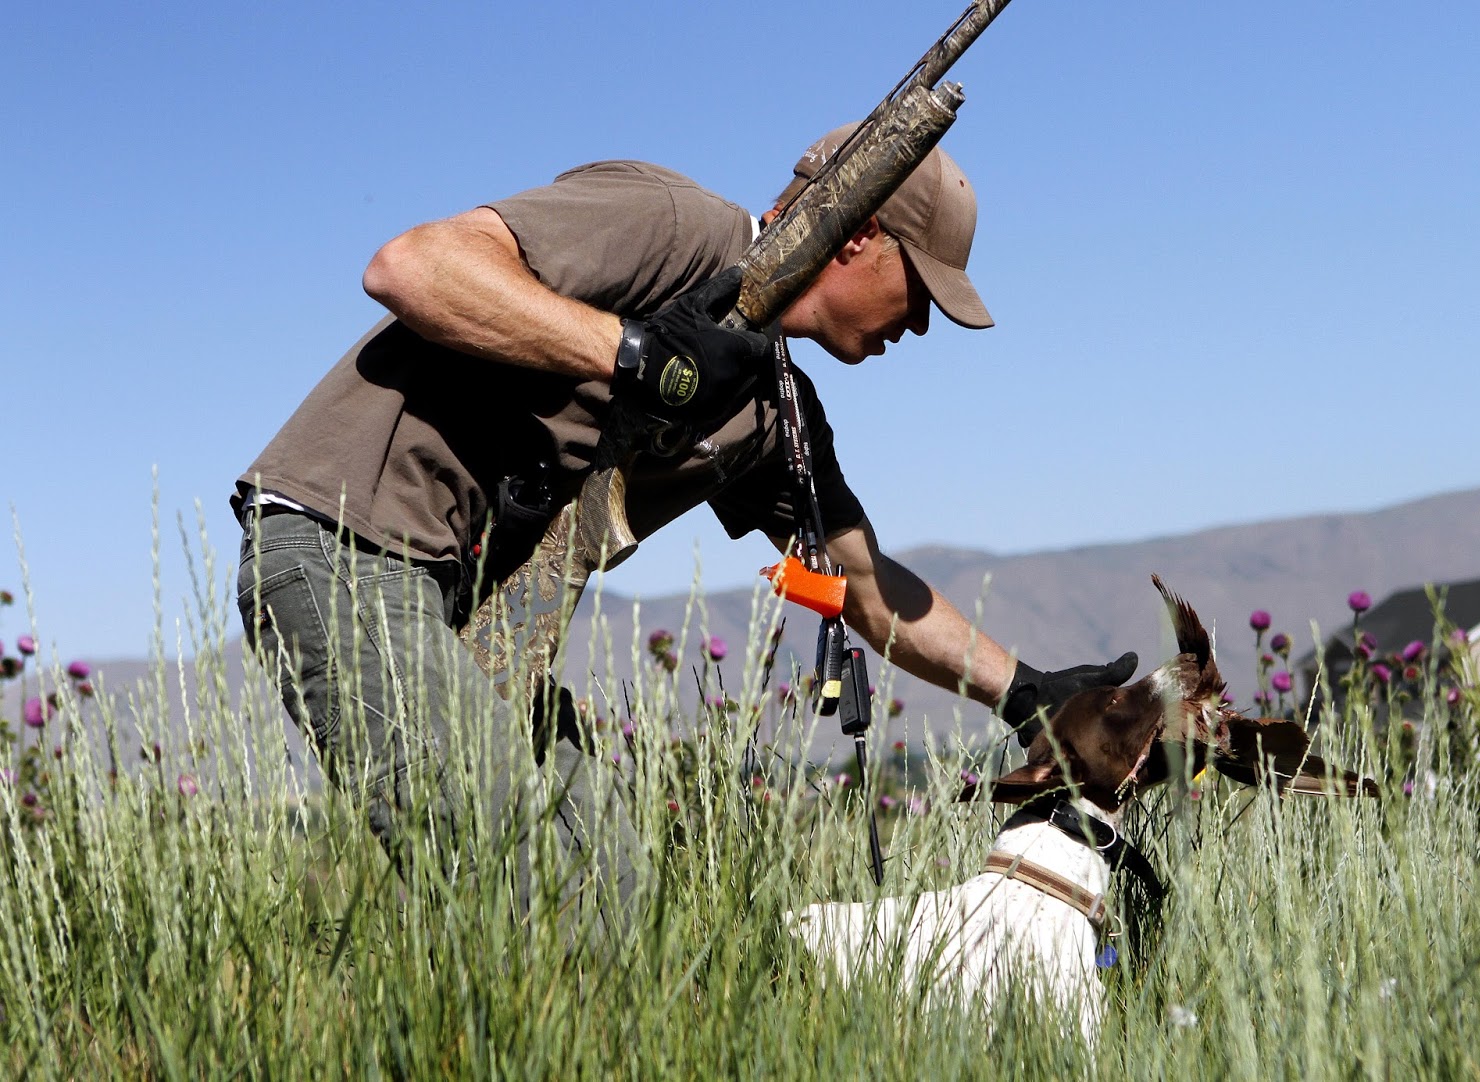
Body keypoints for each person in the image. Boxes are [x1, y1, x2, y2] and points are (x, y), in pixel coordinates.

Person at [232, 124, 1137, 922]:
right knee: (520, 877)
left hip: (473, 622)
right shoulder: (679, 225)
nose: (924, 327)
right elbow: (414, 265)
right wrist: (638, 356)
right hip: (346, 545)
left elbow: (865, 588)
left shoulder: (773, 407)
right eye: (921, 289)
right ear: (859, 232)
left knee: (611, 897)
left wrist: (1027, 693)